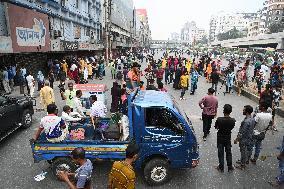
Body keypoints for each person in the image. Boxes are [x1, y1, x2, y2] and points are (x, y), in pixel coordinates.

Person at [215, 104, 236, 172]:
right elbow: (231, 128)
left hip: (220, 137)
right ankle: (229, 167)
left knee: (220, 152)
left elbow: (216, 127)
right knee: (228, 152)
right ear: (230, 112)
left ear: (223, 111)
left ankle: (221, 167)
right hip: (228, 137)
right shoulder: (233, 120)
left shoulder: (219, 119)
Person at [234, 105, 255, 170]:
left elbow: (241, 132)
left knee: (243, 151)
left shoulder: (246, 121)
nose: (242, 111)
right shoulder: (252, 119)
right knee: (245, 151)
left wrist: (236, 139)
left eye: (244, 110)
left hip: (244, 139)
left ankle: (242, 165)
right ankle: (243, 161)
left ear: (247, 112)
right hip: (249, 138)